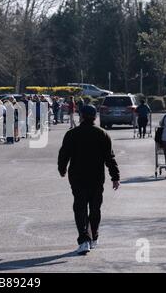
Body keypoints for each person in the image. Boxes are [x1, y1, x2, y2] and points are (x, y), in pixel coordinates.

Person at [58, 104, 120, 255]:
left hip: (77, 177)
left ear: (81, 116)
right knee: (95, 207)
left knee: (80, 207)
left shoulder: (72, 134)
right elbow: (109, 158)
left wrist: (62, 168)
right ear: (95, 117)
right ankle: (94, 236)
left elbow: (64, 153)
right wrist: (115, 176)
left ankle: (84, 239)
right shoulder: (102, 134)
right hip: (96, 177)